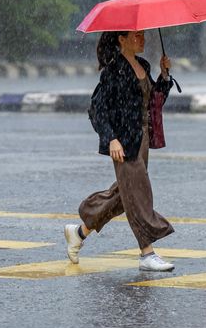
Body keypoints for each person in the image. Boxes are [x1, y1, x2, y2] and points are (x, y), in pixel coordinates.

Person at [64, 30, 176, 272]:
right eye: (137, 35)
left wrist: (164, 76)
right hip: (124, 142)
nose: (142, 39)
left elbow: (153, 100)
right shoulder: (114, 71)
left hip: (143, 137)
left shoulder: (143, 65)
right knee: (138, 192)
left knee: (125, 194)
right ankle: (147, 253)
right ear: (121, 40)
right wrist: (111, 139)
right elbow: (98, 109)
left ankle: (79, 232)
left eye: (143, 35)